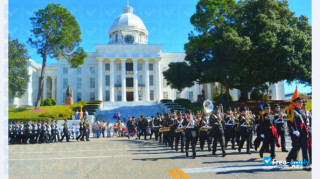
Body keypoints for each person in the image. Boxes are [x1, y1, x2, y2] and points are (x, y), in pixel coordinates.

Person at [286, 97, 311, 170]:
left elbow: (305, 123)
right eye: (299, 102)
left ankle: (305, 165)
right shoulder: (291, 111)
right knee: (296, 147)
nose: (301, 104)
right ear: (295, 103)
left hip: (303, 132)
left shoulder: (302, 111)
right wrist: (293, 131)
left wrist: (306, 131)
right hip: (295, 132)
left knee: (305, 147)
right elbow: (289, 123)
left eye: (301, 102)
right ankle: (289, 158)